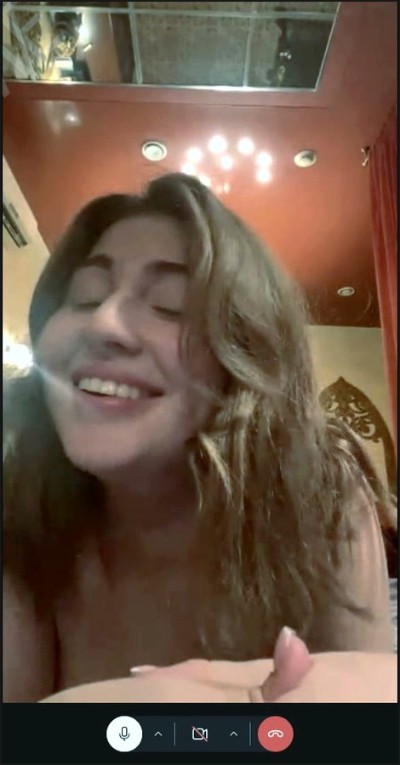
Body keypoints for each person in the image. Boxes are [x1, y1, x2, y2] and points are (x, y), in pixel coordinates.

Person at [3, 172, 396, 704]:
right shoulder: (23, 507)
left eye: (170, 305)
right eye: (85, 297)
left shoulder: (320, 493)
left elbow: (361, 725)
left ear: (242, 359)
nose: (105, 323)